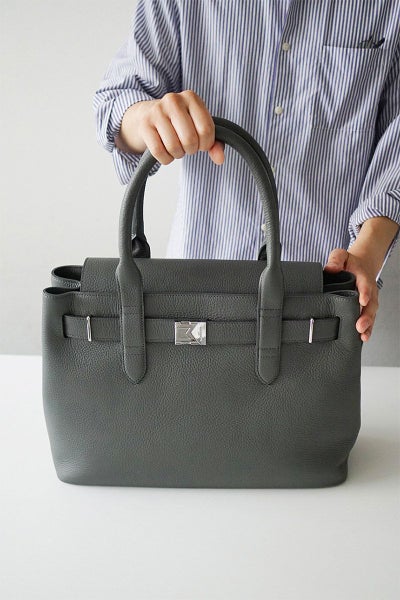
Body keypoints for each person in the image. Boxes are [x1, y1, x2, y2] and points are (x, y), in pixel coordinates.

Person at [93, 0, 400, 343]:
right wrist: (148, 119)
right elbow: (114, 103)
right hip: (192, 304)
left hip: (318, 307)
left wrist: (367, 253)